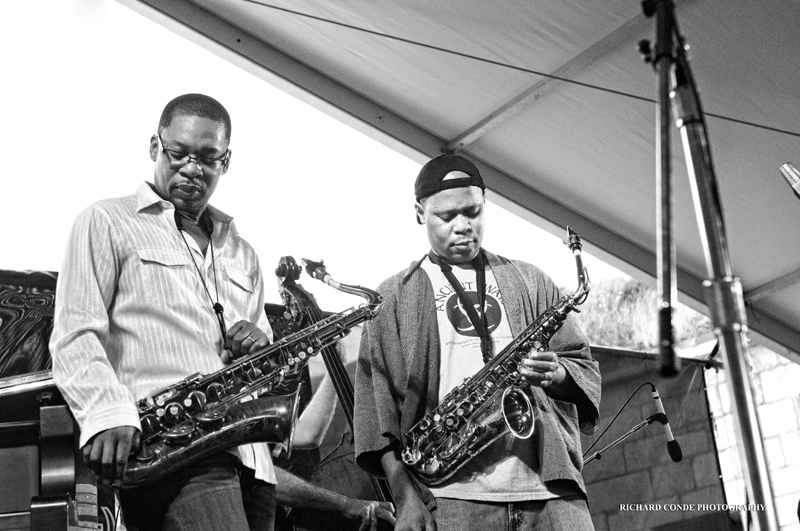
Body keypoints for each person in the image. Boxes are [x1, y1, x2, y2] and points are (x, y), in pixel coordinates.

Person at [50, 93, 394, 531]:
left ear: (225, 161)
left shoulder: (243, 254)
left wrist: (257, 346)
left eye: (208, 157)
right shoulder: (105, 221)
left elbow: (260, 372)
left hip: (254, 466)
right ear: (155, 147)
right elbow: (75, 334)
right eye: (179, 153)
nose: (192, 168)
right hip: (175, 448)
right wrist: (106, 413)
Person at [353, 154, 601, 531]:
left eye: (473, 212)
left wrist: (560, 373)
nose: (463, 227)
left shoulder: (531, 280)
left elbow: (583, 367)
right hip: (452, 499)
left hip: (550, 494)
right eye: (447, 217)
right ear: (419, 213)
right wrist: (405, 499)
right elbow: (376, 416)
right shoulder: (391, 298)